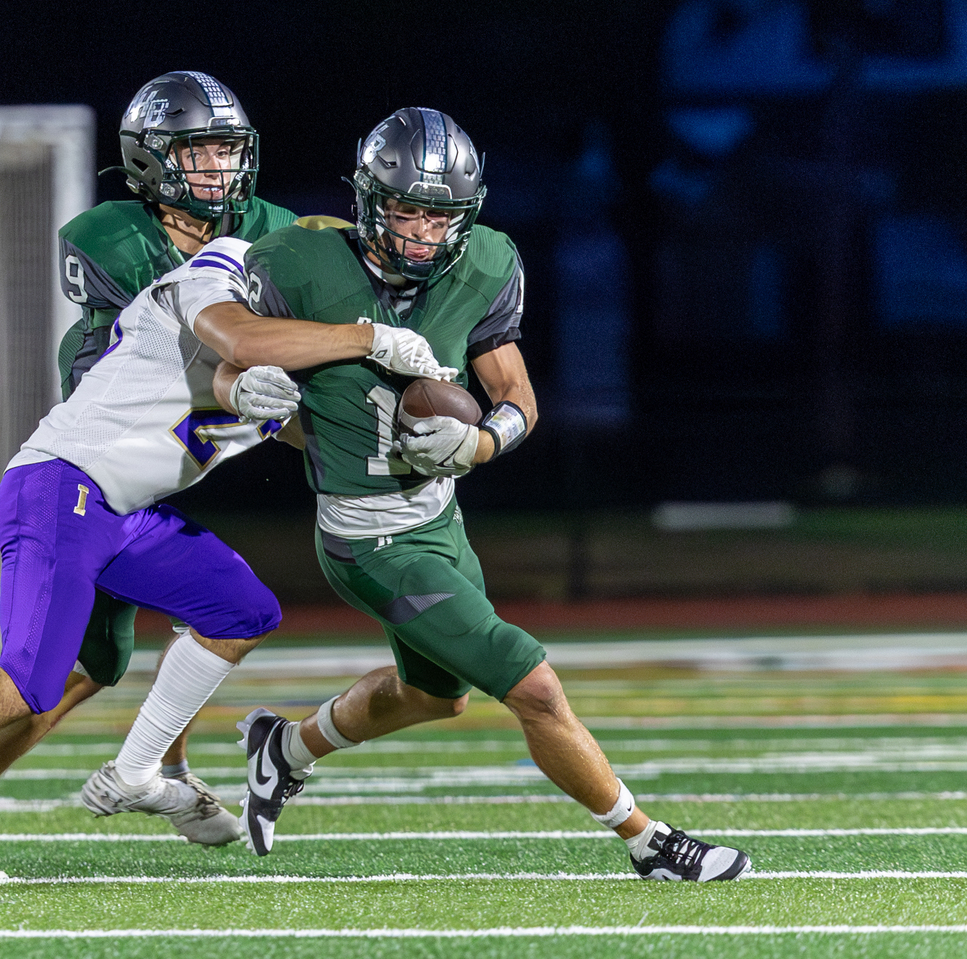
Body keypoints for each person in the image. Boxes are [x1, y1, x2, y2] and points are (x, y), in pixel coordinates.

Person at [0, 233, 456, 897]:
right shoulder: (224, 269)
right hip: (63, 485)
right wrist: (370, 337)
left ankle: (140, 772)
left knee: (242, 609)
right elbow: (241, 345)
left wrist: (409, 437)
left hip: (120, 512)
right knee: (28, 683)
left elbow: (266, 400)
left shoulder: (298, 342)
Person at [220, 108, 752, 881]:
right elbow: (226, 356)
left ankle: (285, 747)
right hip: (367, 536)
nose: (424, 234)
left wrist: (482, 440)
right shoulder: (294, 261)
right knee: (531, 684)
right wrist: (246, 393)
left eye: (441, 217)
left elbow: (516, 393)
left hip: (439, 516)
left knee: (435, 697)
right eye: (407, 210)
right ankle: (650, 844)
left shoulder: (489, 262)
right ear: (369, 200)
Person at [0, 71, 303, 880]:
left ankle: (135, 772)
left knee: (167, 629)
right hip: (109, 454)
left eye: (227, 149)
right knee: (80, 665)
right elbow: (168, 354)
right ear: (151, 162)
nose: (219, 169)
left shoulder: (275, 229)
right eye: (198, 151)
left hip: (183, 447)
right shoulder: (111, 235)